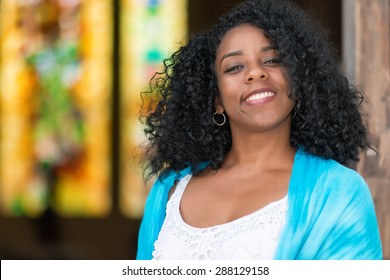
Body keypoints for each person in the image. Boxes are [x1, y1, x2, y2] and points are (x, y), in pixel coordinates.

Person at [136, 0, 383, 260]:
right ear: (216, 99)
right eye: (234, 67)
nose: (255, 73)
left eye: (272, 60)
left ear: (299, 80)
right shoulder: (169, 190)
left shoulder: (338, 192)